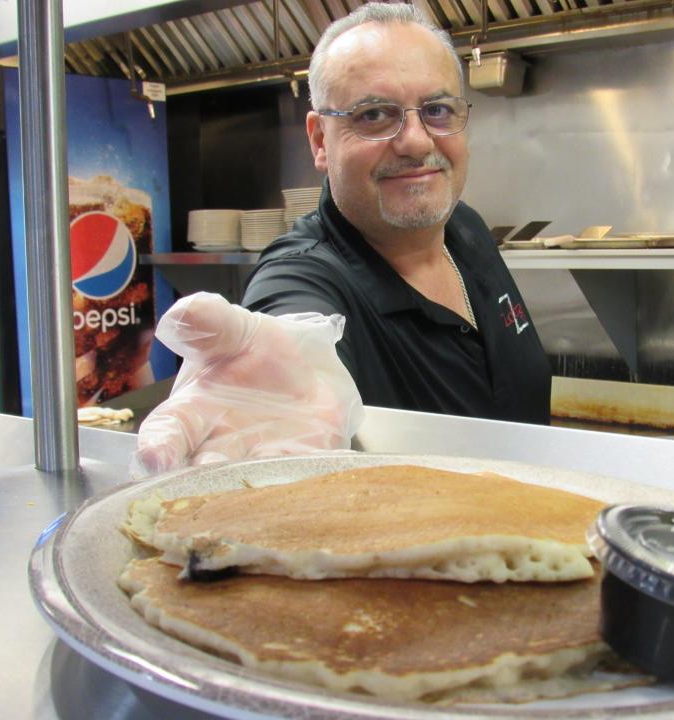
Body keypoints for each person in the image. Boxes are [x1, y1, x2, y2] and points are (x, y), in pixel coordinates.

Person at [133, 3, 551, 475]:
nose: (416, 141)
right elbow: (293, 339)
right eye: (373, 114)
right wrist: (274, 400)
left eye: (436, 110)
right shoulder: (305, 274)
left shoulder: (466, 228)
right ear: (319, 140)